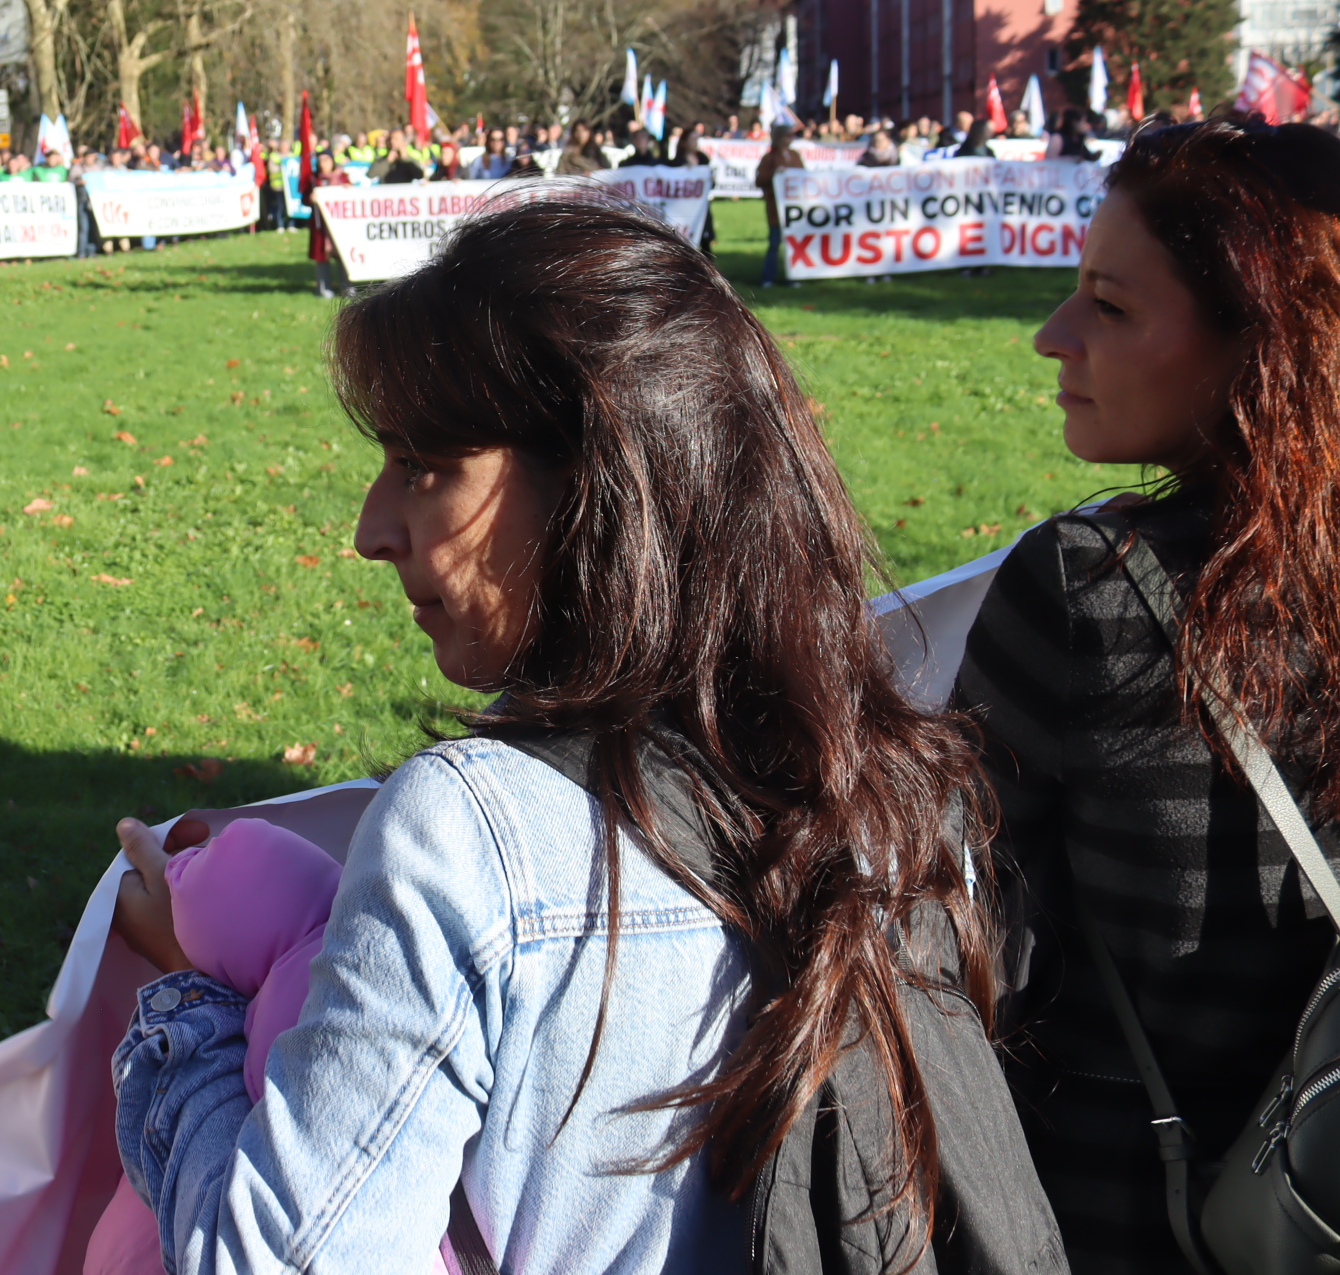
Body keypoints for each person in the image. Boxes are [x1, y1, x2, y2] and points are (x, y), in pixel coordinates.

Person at [109, 190, 1051, 1275]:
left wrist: (187, 1009)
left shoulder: (469, 836)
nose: (371, 530)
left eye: (422, 467)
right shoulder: (896, 783)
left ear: (591, 481)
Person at [953, 118, 1340, 1275]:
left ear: (1268, 345)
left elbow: (968, 961)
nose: (1052, 334)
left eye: (1110, 306)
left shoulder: (1089, 590)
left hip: (1122, 1223)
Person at [754, 122, 803, 286]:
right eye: (788, 136)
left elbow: (804, 175)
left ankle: (793, 276)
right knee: (774, 243)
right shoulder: (769, 158)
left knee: (794, 243)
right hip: (776, 208)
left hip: (795, 208)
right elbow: (759, 180)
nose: (791, 139)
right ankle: (768, 277)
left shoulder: (795, 155)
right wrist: (774, 173)